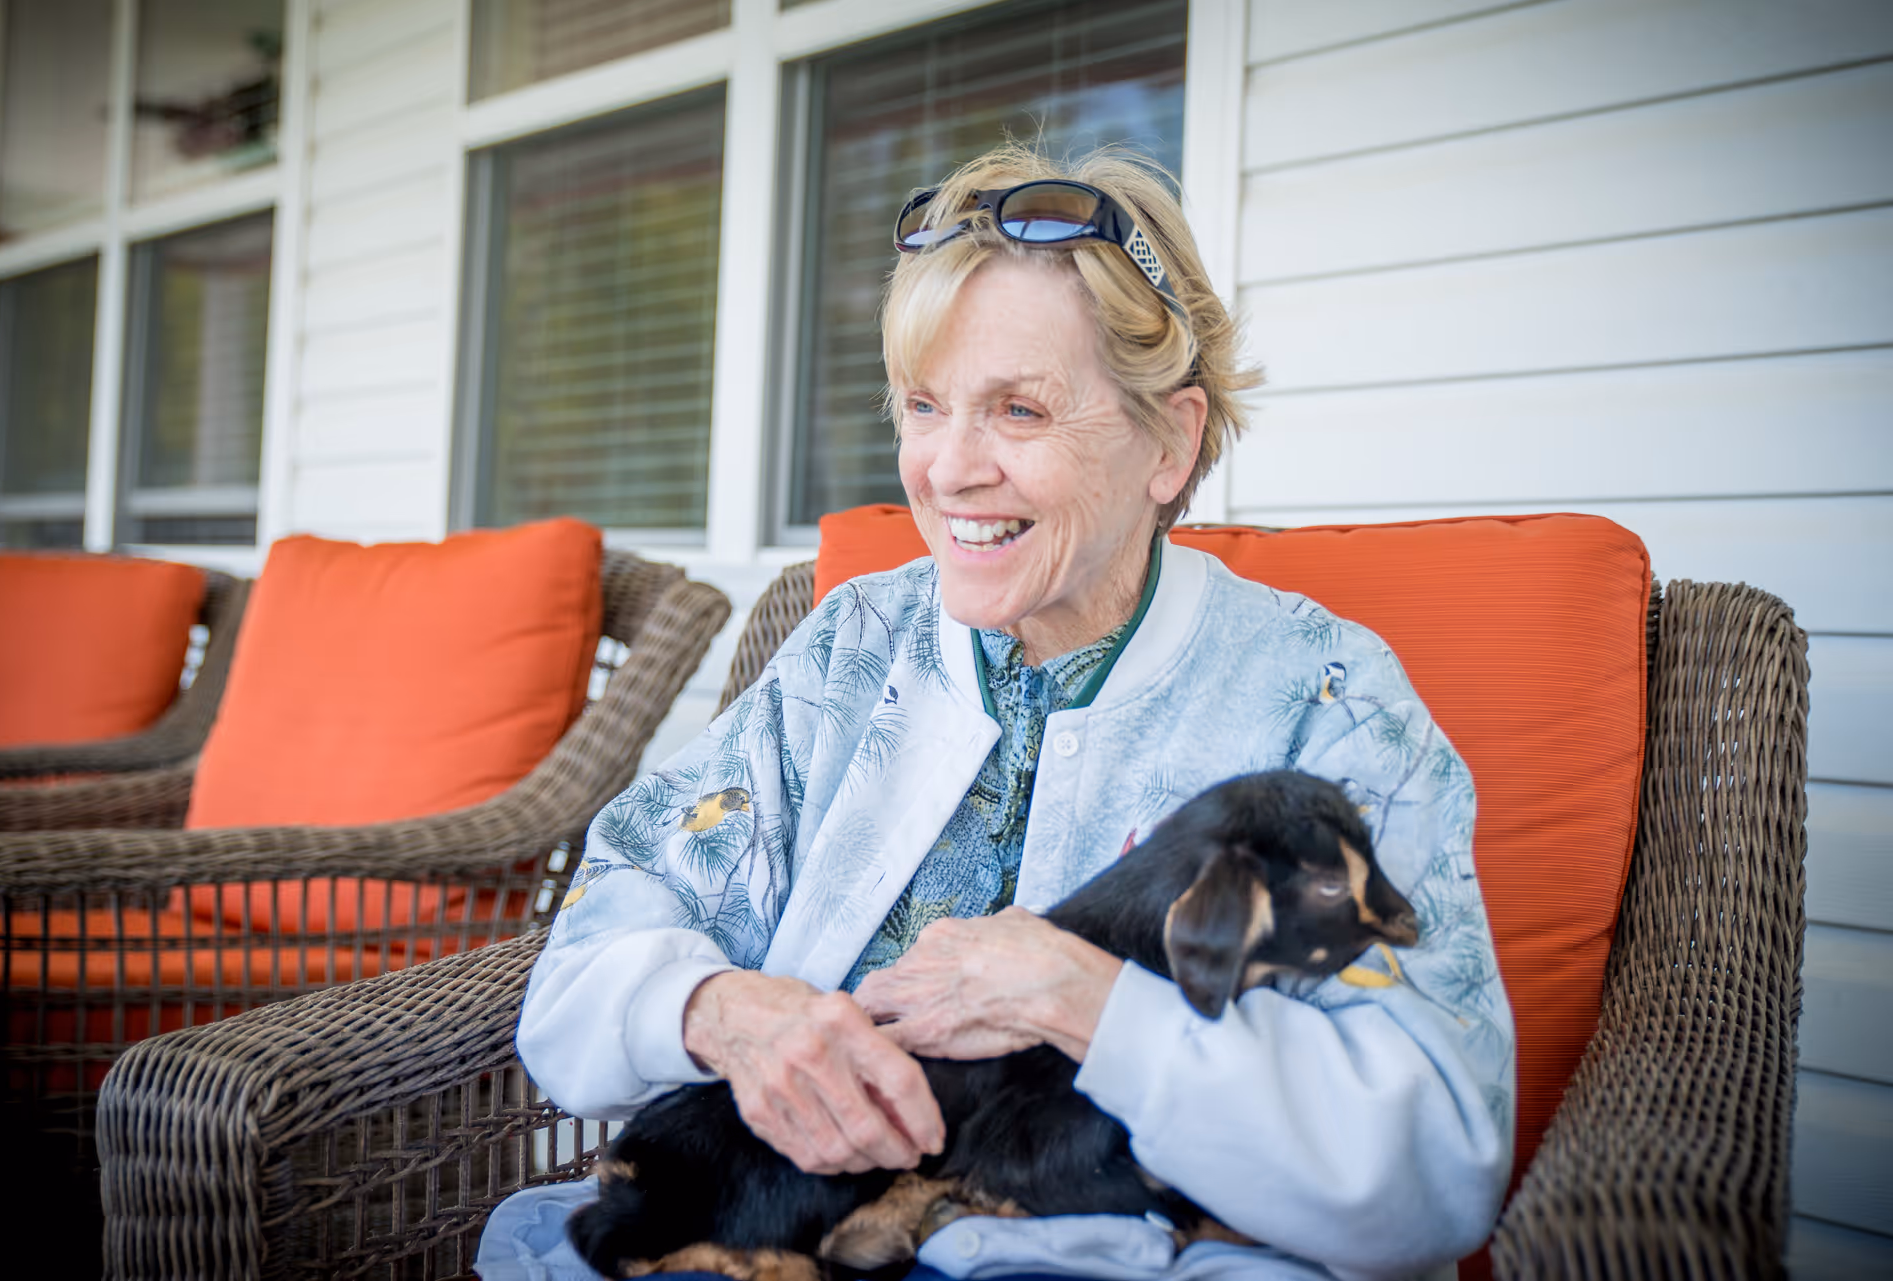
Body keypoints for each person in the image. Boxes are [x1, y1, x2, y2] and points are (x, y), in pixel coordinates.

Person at [477, 144, 1515, 1281]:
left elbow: (1433, 1169)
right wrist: (717, 1009)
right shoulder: (852, 648)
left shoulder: (1323, 702)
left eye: (1018, 410)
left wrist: (1088, 1000)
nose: (949, 469)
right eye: (925, 406)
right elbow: (587, 959)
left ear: (1169, 442)